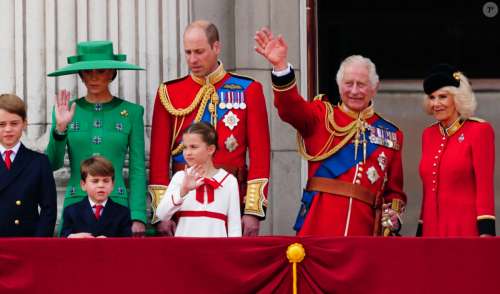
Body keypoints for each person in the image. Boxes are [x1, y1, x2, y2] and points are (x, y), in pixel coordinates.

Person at [255, 28, 406, 236]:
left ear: (374, 87)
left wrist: (394, 218)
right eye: (348, 84)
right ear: (338, 85)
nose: (354, 91)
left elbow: (394, 192)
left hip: (363, 231)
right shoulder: (321, 116)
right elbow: (290, 108)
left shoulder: (391, 134)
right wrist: (281, 67)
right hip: (318, 226)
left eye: (361, 84)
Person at [149, 20, 270, 236]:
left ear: (216, 47)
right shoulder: (169, 93)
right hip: (184, 199)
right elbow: (158, 159)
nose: (192, 60)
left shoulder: (249, 90)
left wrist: (252, 210)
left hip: (230, 197)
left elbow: (260, 155)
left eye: (199, 52)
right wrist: (161, 214)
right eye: (188, 52)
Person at [46, 40, 147, 236]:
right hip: (76, 205)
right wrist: (60, 129)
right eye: (87, 72)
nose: (93, 77)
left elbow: (137, 168)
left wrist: (137, 215)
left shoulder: (131, 112)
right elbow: (52, 163)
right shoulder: (66, 111)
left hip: (117, 206)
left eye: (100, 71)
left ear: (112, 73)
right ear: (81, 75)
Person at [417, 64, 495, 237]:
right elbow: (427, 190)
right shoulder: (428, 134)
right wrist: (421, 230)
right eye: (432, 97)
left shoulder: (479, 131)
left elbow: (485, 188)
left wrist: (486, 232)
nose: (436, 103)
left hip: (464, 231)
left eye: (443, 97)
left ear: (458, 99)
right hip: (431, 231)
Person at [155, 122, 241, 237]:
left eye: (193, 147)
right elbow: (161, 214)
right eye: (185, 147)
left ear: (210, 149)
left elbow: (234, 227)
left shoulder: (229, 181)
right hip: (185, 251)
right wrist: (183, 191)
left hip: (217, 252)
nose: (187, 153)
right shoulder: (180, 177)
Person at [0, 94, 57, 237]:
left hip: (26, 242)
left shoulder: (39, 162)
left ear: (25, 123)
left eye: (14, 123)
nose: (8, 129)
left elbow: (48, 210)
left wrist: (38, 244)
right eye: (1, 124)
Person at [61, 156, 132, 238]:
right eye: (95, 181)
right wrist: (71, 237)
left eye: (106, 181)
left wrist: (110, 243)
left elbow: (126, 244)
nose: (101, 185)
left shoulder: (123, 212)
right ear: (83, 185)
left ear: (112, 185)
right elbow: (64, 238)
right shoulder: (71, 211)